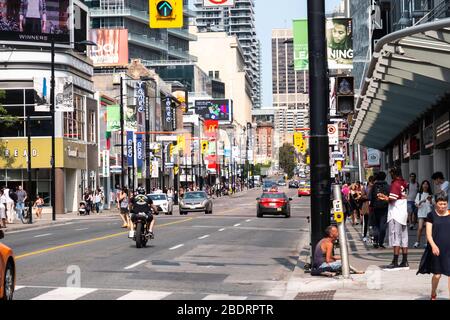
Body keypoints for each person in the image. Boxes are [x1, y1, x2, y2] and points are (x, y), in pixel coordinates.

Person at [417, 196, 450, 300]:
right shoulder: (431, 215)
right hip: (437, 249)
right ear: (436, 203)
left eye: (445, 204)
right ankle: (433, 292)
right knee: (437, 275)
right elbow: (428, 234)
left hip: (449, 249)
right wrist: (433, 246)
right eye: (440, 204)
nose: (443, 206)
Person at [378, 166, 409, 269]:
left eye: (391, 173)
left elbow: (392, 199)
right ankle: (404, 261)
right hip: (403, 213)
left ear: (394, 173)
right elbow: (401, 197)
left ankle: (395, 261)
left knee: (396, 237)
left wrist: (384, 197)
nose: (390, 174)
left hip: (395, 214)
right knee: (404, 238)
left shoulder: (395, 184)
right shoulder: (403, 183)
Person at [370, 172, 390, 249]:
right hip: (385, 208)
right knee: (383, 225)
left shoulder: (374, 186)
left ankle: (375, 240)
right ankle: (381, 242)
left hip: (375, 208)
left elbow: (370, 197)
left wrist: (372, 205)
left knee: (375, 225)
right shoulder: (387, 186)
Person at [414, 180, 433, 248]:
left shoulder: (430, 194)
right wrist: (422, 201)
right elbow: (416, 203)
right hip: (421, 213)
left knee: (427, 228)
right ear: (422, 185)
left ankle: (426, 242)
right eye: (424, 184)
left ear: (428, 186)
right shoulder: (419, 194)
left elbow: (432, 205)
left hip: (428, 213)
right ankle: (417, 242)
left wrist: (430, 201)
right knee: (420, 228)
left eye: (427, 184)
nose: (425, 185)